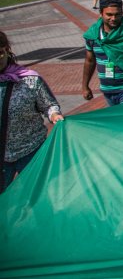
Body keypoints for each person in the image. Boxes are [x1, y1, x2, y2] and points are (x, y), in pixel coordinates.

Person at [0, 31, 64, 193]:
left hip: (31, 150)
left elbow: (49, 105)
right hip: (2, 157)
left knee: (37, 194)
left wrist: (54, 115)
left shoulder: (30, 80)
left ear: (6, 49)